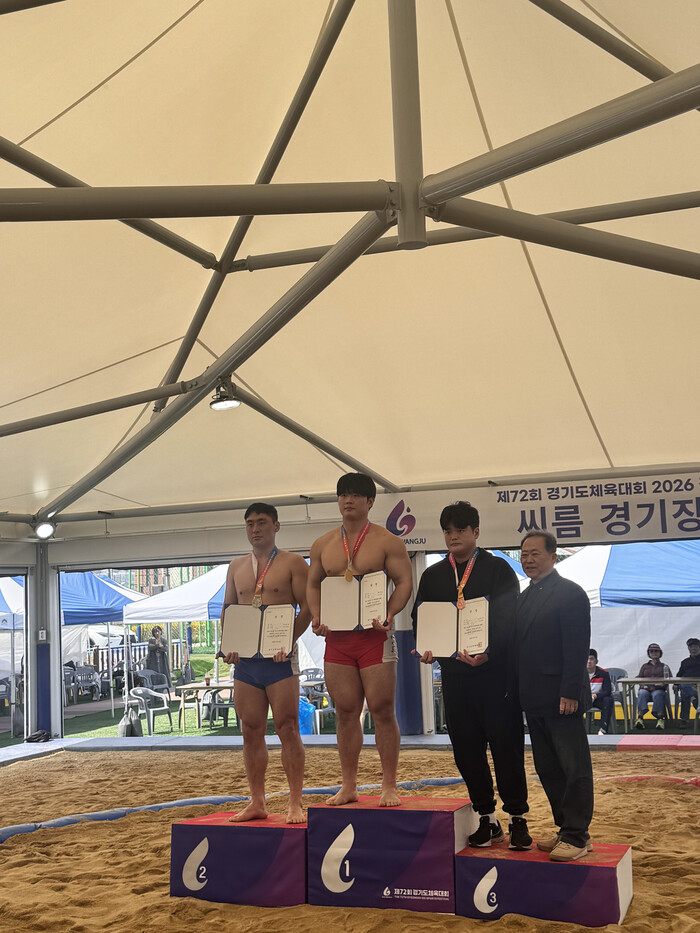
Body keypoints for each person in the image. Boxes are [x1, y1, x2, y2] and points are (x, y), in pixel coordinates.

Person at [412, 501, 531, 850]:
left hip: (496, 677)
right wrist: (428, 650)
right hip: (456, 678)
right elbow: (422, 618)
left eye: (460, 530)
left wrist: (489, 653)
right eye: (448, 531)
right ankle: (487, 818)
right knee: (466, 750)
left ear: (476, 532)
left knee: (506, 748)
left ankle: (518, 818)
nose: (453, 537)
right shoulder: (433, 575)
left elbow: (509, 619)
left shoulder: (498, 569)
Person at [307, 472, 413, 807]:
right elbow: (312, 584)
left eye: (355, 495)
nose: (348, 500)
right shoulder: (322, 544)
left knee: (382, 710)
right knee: (345, 712)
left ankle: (389, 785)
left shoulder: (387, 542)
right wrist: (317, 616)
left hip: (374, 637)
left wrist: (390, 613)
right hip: (337, 640)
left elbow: (404, 582)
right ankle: (349, 785)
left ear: (370, 501)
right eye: (343, 495)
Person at [221, 502, 311, 823]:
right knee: (250, 730)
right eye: (250, 523)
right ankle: (257, 801)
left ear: (276, 525)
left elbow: (308, 607)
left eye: (261, 522)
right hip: (247, 662)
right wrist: (228, 646)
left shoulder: (293, 562)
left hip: (279, 660)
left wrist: (289, 641)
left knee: (287, 727)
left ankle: (295, 802)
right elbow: (228, 609)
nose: (256, 528)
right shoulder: (235, 566)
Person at [515, 531, 594, 862]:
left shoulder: (570, 593)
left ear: (553, 555)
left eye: (535, 553)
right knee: (548, 768)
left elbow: (577, 647)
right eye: (524, 554)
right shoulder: (525, 596)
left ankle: (578, 836)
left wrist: (570, 691)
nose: (529, 559)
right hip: (534, 698)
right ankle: (565, 828)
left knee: (574, 768)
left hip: (563, 698)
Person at [635, 643, 672, 730]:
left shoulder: (664, 666)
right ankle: (640, 718)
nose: (654, 653)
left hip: (659, 689)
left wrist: (662, 684)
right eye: (651, 651)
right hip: (646, 689)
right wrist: (641, 683)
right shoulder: (645, 666)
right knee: (642, 693)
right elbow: (639, 677)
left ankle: (660, 719)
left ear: (660, 653)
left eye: (656, 651)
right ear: (649, 653)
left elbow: (669, 679)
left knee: (657, 694)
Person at [587, 649, 613, 735]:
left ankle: (603, 729)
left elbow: (607, 691)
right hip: (585, 699)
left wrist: (595, 696)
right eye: (587, 659)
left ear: (596, 661)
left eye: (591, 659)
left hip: (598, 699)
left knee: (608, 700)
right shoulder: (580, 673)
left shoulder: (603, 673)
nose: (589, 661)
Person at [676, 637, 700, 726]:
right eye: (691, 647)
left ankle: (684, 719)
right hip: (687, 685)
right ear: (688, 648)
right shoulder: (684, 662)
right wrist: (675, 684)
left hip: (699, 686)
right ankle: (693, 698)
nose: (693, 648)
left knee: (684, 692)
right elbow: (679, 675)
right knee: (684, 686)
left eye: (695, 646)